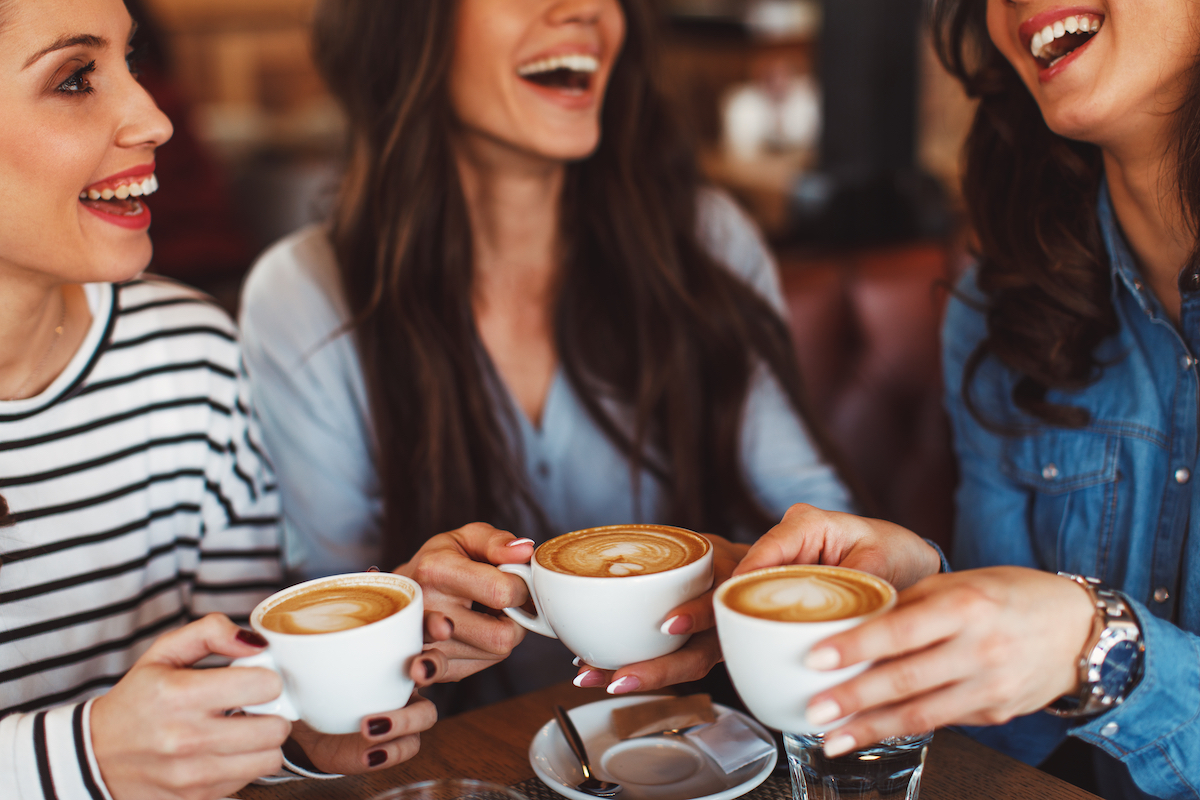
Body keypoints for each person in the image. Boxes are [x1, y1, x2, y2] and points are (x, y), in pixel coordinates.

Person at [240, 0, 853, 711]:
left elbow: (824, 528)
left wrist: (762, 581)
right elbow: (327, 616)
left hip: (698, 748)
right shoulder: (303, 296)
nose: (590, 9)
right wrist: (407, 604)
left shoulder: (703, 240)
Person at [728, 1, 1200, 798]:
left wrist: (1103, 652)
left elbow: (1072, 654)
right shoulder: (1004, 300)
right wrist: (920, 593)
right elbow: (1010, 732)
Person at [0, 2, 445, 798]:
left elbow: (224, 698)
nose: (154, 117)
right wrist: (84, 757)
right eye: (75, 79)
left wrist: (327, 692)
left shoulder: (187, 354)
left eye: (127, 62)